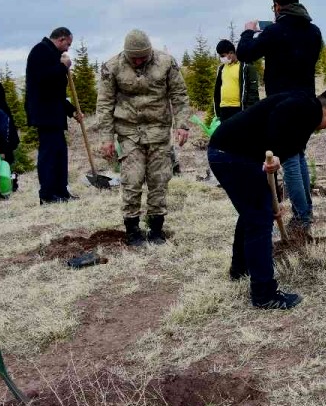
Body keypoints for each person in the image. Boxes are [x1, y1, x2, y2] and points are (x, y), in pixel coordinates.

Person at [207, 89, 326, 309]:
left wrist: (269, 198)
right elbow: (278, 115)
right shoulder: (308, 109)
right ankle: (264, 293)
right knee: (259, 219)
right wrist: (274, 152)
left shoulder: (301, 103)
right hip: (232, 156)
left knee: (253, 212)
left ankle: (240, 268)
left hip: (230, 153)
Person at [236, 0, 324, 238]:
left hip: (284, 104)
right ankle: (305, 211)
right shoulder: (314, 31)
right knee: (298, 155)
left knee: (289, 159)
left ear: (276, 6)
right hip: (307, 100)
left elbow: (245, 53)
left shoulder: (275, 31)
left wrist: (248, 31)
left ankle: (302, 217)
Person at [96, 29, 191, 246]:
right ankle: (132, 230)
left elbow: (179, 95)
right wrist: (106, 138)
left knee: (159, 180)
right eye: (134, 57)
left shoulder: (166, 63)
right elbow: (104, 104)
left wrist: (182, 125)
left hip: (158, 131)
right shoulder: (112, 67)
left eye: (143, 56)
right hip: (129, 133)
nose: (138, 61)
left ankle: (156, 229)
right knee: (132, 180)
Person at [25, 27, 84, 205]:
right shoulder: (40, 51)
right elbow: (43, 80)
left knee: (59, 153)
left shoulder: (51, 54)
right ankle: (48, 194)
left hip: (54, 113)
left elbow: (56, 92)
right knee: (49, 154)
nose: (67, 49)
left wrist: (72, 110)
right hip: (45, 114)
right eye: (68, 44)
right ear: (61, 39)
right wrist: (62, 67)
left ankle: (61, 191)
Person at [213, 39, 261, 122]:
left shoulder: (245, 67)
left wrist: (251, 111)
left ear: (231, 53)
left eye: (223, 56)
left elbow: (253, 92)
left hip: (238, 109)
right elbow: (217, 91)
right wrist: (218, 112)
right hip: (224, 109)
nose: (221, 58)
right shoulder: (221, 69)